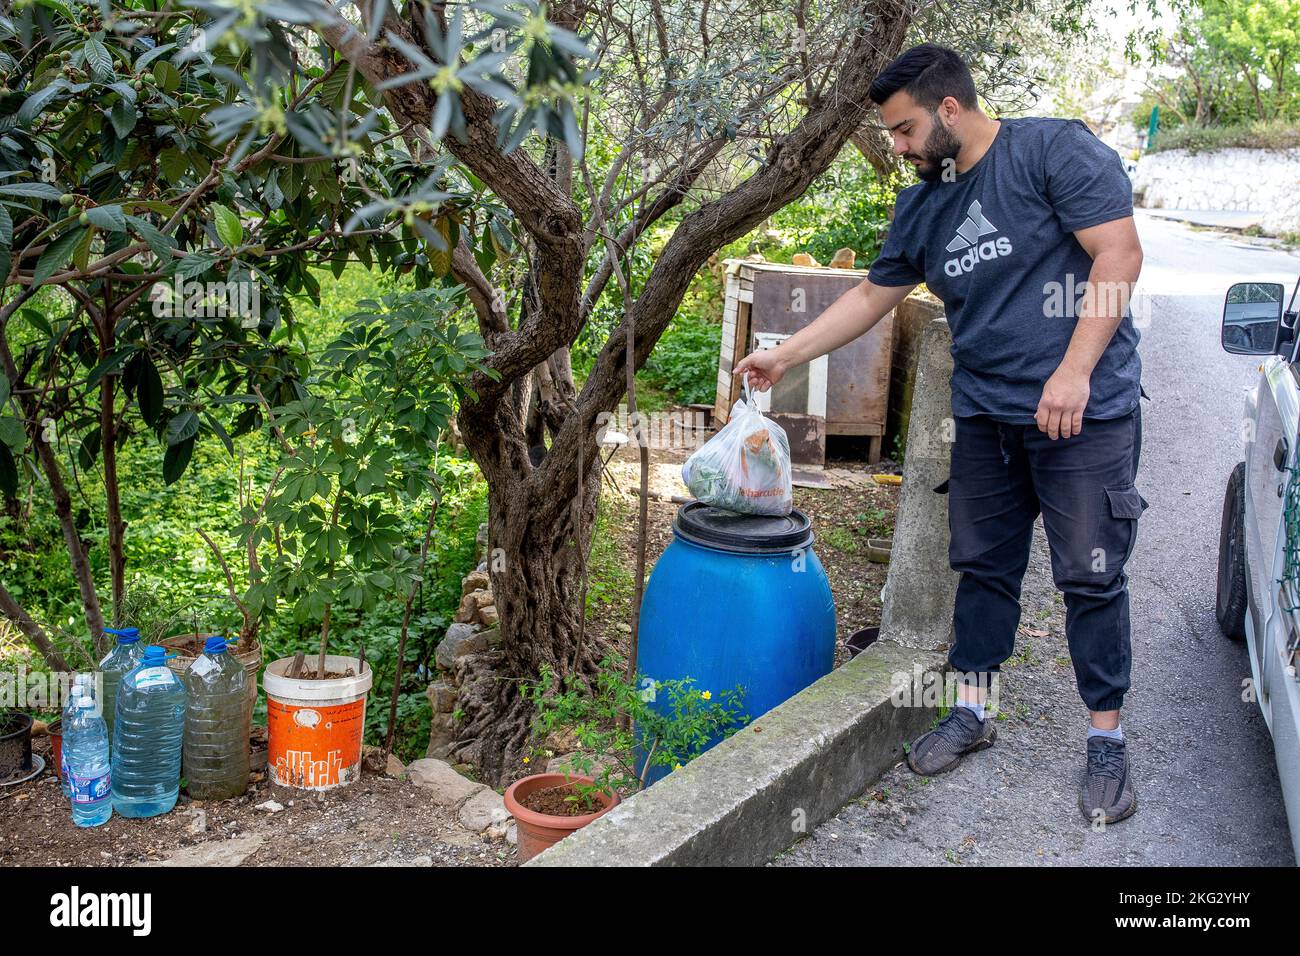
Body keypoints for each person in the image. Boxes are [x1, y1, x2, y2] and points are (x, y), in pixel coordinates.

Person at [732, 43, 1146, 825]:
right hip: (987, 416)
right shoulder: (923, 205)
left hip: (1083, 412)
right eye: (892, 134)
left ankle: (1107, 742)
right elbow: (871, 296)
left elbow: (1117, 253)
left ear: (950, 110)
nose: (898, 146)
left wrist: (1074, 371)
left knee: (1091, 576)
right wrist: (781, 356)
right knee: (983, 571)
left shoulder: (1054, 152)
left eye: (905, 129)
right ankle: (974, 710)